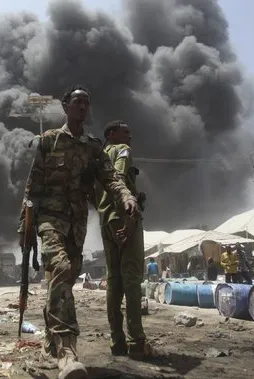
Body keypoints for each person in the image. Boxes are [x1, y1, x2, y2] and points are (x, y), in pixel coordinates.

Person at [17, 86, 140, 378]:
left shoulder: (93, 147)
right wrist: (26, 225)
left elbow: (110, 177)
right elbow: (31, 186)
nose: (83, 106)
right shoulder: (49, 140)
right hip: (50, 218)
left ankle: (51, 336)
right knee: (59, 268)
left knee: (66, 277)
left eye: (86, 102)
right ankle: (66, 351)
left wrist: (126, 196)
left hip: (77, 223)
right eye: (77, 101)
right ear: (65, 106)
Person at [95, 119, 157, 360]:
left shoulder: (98, 158)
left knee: (114, 282)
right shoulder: (122, 150)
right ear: (111, 134)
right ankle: (136, 342)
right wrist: (129, 218)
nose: (130, 136)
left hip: (106, 221)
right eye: (125, 132)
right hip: (124, 217)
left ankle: (116, 342)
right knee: (131, 280)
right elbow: (119, 177)